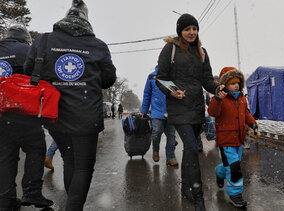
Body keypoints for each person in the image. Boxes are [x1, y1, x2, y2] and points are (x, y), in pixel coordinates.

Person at [23, 0, 117, 210]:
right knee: (83, 168)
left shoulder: (44, 40)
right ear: (87, 21)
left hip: (55, 114)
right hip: (86, 115)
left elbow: (30, 71)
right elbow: (109, 79)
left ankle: (72, 205)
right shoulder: (97, 45)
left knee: (69, 161)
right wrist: (87, 78)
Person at [156, 13, 218, 211]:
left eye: (194, 29)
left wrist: (217, 89)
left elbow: (207, 79)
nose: (191, 32)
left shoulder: (202, 52)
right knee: (192, 148)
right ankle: (199, 197)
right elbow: (161, 78)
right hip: (178, 107)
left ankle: (185, 189)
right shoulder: (170, 49)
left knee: (190, 151)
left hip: (197, 107)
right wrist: (174, 91)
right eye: (187, 29)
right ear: (180, 32)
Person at [0, 24, 54, 210]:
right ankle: (32, 192)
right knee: (35, 149)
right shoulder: (29, 50)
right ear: (25, 39)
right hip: (24, 111)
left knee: (5, 156)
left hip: (1, 113)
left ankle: (6, 199)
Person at [207, 67, 258, 208]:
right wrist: (217, 98)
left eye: (238, 82)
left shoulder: (242, 98)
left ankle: (220, 171)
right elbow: (212, 112)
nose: (236, 85)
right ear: (225, 85)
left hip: (239, 138)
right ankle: (235, 194)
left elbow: (246, 114)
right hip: (226, 139)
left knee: (231, 165)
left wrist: (253, 124)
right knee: (234, 167)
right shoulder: (221, 99)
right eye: (232, 83)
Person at [140, 65, 178, 167]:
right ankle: (155, 150)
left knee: (171, 135)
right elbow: (147, 94)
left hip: (171, 111)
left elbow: (177, 92)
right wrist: (143, 110)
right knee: (156, 132)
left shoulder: (173, 75)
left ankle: (170, 157)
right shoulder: (152, 76)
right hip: (157, 111)